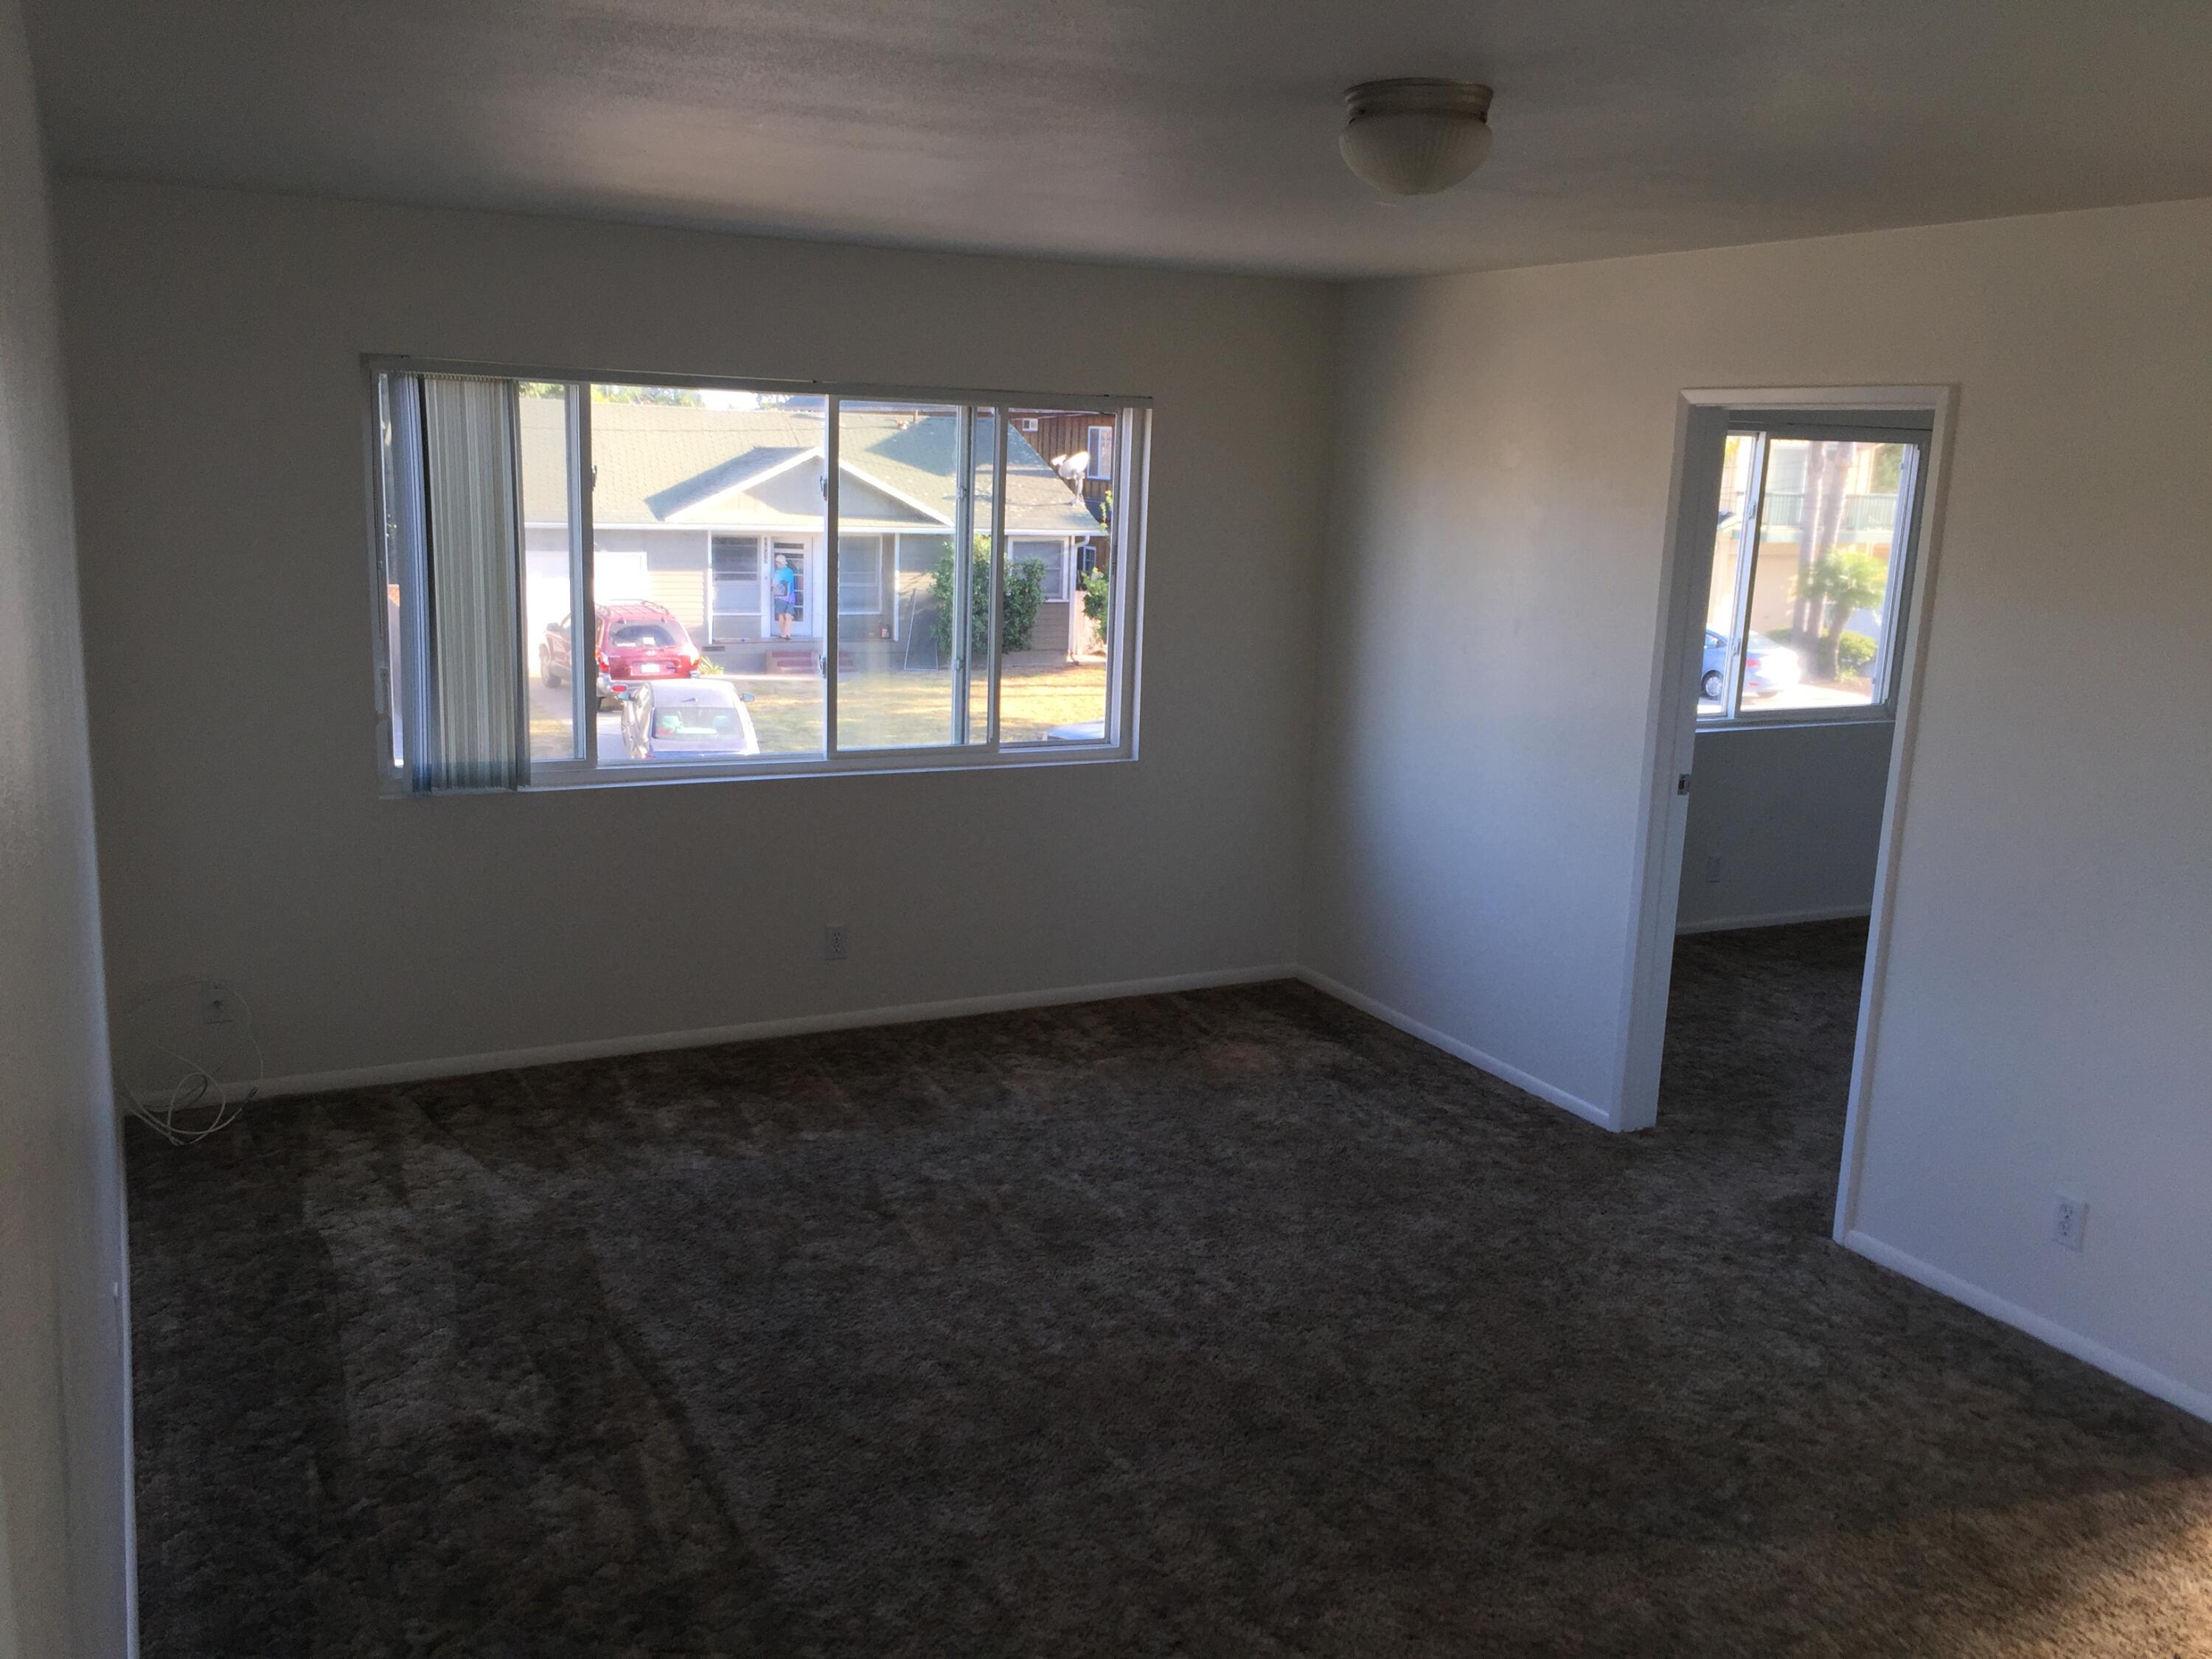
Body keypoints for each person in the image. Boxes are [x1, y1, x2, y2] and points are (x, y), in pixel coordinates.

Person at [772, 553, 798, 640]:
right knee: (788, 615)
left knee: (781, 615)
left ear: (779, 563)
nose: (776, 564)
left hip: (781, 597)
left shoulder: (778, 572)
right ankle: (788, 633)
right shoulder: (790, 571)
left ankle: (783, 634)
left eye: (776, 562)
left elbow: (774, 584)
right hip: (791, 596)